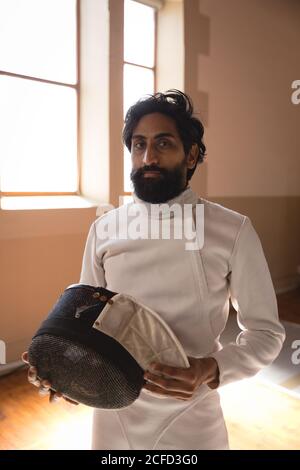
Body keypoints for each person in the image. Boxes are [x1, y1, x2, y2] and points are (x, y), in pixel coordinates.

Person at [23, 90, 285, 450]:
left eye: (163, 144)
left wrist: (207, 370)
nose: (148, 157)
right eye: (139, 145)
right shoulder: (105, 228)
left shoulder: (232, 230)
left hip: (190, 416)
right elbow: (82, 318)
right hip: (113, 412)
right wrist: (60, 368)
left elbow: (265, 334)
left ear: (191, 154)